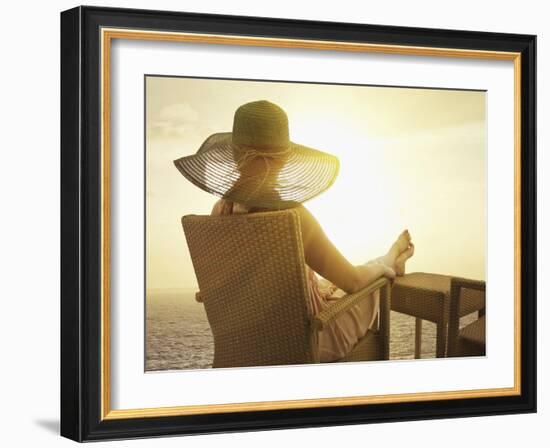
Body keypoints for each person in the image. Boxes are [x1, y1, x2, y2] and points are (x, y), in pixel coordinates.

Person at [174, 100, 414, 362]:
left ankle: (388, 258)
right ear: (284, 159)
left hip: (245, 345)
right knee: (372, 282)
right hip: (308, 344)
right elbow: (353, 282)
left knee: (332, 283)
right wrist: (383, 271)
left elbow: (216, 288)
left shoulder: (220, 212)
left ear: (233, 155)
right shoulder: (292, 218)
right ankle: (389, 261)